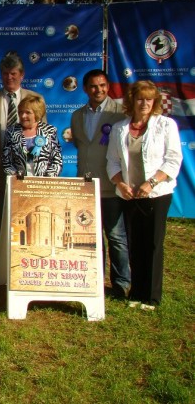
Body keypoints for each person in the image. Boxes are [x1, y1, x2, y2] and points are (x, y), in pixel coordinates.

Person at [106, 80, 182, 310]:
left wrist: (151, 183)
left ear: (155, 102)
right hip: (130, 195)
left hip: (157, 194)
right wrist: (120, 184)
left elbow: (173, 159)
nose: (144, 103)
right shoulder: (120, 128)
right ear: (131, 101)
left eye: (149, 99)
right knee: (134, 243)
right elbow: (112, 161)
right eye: (140, 98)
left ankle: (151, 297)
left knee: (153, 244)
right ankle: (136, 294)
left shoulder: (166, 125)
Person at [71, 69, 130, 299]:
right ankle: (95, 281)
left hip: (110, 185)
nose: (99, 90)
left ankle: (121, 283)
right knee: (90, 238)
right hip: (85, 186)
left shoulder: (120, 113)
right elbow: (80, 145)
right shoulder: (77, 116)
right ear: (85, 89)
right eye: (94, 86)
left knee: (115, 236)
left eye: (103, 85)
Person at [0, 51, 47, 265]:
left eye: (13, 74)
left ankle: (24, 256)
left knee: (26, 212)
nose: (9, 78)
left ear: (21, 75)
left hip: (27, 166)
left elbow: (43, 134)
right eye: (4, 74)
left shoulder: (34, 98)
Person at [2, 95, 63, 177]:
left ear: (37, 113)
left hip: (44, 183)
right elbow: (6, 162)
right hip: (19, 183)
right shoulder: (11, 132)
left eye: (28, 112)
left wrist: (48, 177)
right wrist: (15, 175)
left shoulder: (50, 131)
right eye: (20, 112)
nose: (23, 116)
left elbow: (57, 160)